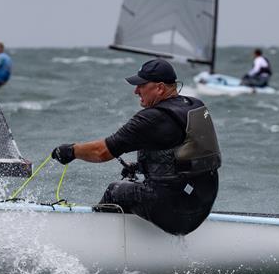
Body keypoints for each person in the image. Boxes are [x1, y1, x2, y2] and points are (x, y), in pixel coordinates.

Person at [51, 58, 221, 236]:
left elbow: (101, 152)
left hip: (178, 213)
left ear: (160, 88)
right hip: (201, 203)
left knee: (115, 191)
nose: (136, 91)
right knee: (140, 188)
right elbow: (184, 157)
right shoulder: (194, 106)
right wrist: (140, 166)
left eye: (141, 85)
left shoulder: (152, 118)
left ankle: (94, 240)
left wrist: (71, 151)